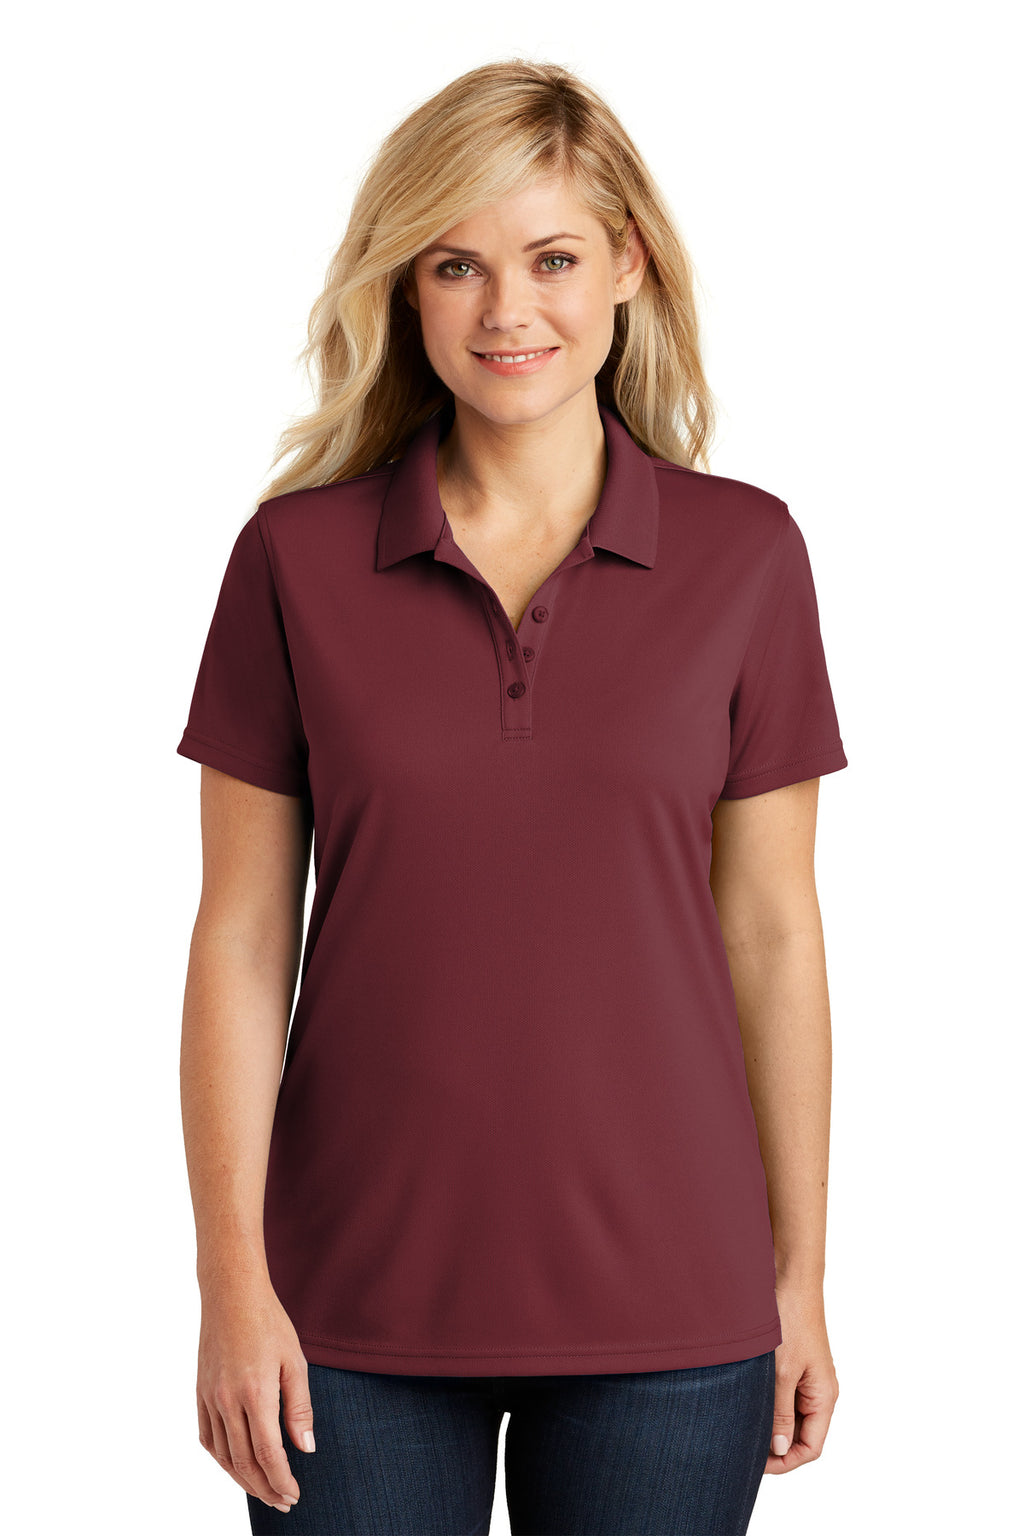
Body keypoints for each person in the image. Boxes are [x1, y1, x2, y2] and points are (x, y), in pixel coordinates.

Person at [177, 58, 848, 1536]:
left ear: (628, 265)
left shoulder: (746, 557)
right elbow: (239, 939)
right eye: (456, 266)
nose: (507, 312)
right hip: (342, 1314)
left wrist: (798, 1276)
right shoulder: (294, 561)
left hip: (674, 1313)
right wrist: (231, 1282)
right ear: (405, 291)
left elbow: (773, 935)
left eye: (551, 259)